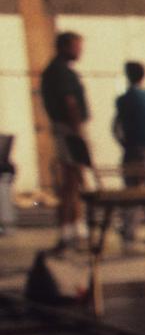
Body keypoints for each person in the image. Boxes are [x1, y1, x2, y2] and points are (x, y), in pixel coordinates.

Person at [39, 30, 91, 250]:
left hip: (69, 129)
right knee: (71, 179)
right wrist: (77, 131)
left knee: (74, 180)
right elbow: (69, 103)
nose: (80, 51)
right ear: (64, 47)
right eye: (76, 47)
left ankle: (76, 228)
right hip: (69, 130)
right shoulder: (60, 72)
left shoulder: (61, 71)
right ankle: (66, 231)